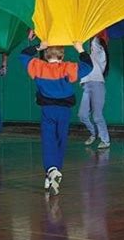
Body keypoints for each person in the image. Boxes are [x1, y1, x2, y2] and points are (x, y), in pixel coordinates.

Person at [20, 40, 92, 195]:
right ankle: (54, 172)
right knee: (61, 141)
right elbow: (88, 67)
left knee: (48, 141)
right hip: (64, 110)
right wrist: (80, 50)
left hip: (48, 110)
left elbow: (23, 55)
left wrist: (38, 46)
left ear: (45, 54)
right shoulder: (68, 68)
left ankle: (51, 171)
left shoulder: (38, 67)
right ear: (63, 54)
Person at [79, 36, 110, 149]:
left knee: (97, 115)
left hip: (97, 85)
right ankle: (94, 133)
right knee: (82, 115)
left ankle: (105, 140)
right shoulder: (91, 56)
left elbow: (95, 42)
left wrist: (94, 35)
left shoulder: (100, 53)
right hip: (87, 86)